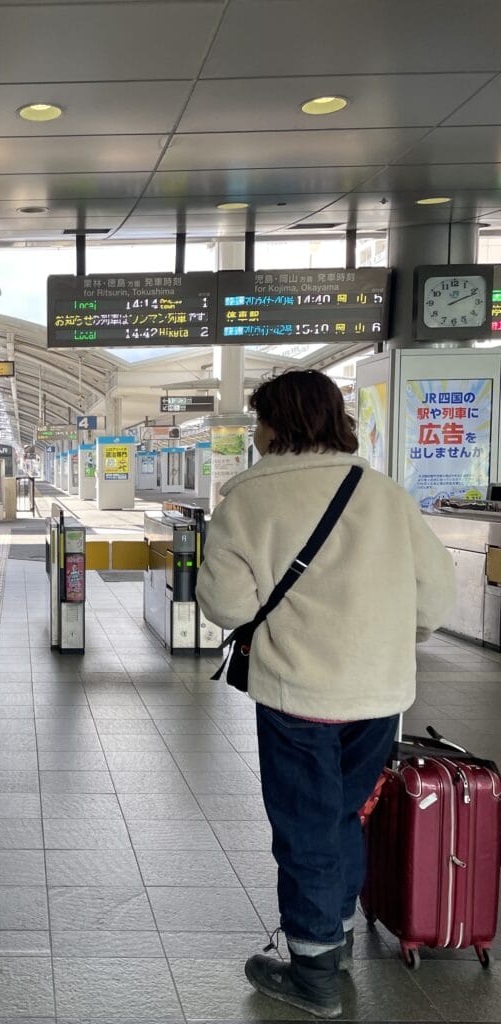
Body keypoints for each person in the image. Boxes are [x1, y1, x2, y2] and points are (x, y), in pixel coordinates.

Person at [195, 370, 455, 1020]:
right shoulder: (385, 493)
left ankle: (312, 970)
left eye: (259, 421)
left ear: (276, 426)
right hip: (379, 695)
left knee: (305, 822)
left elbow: (226, 607)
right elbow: (435, 599)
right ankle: (332, 934)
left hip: (299, 693)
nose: (256, 434)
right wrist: (389, 641)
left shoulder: (247, 501)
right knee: (342, 815)